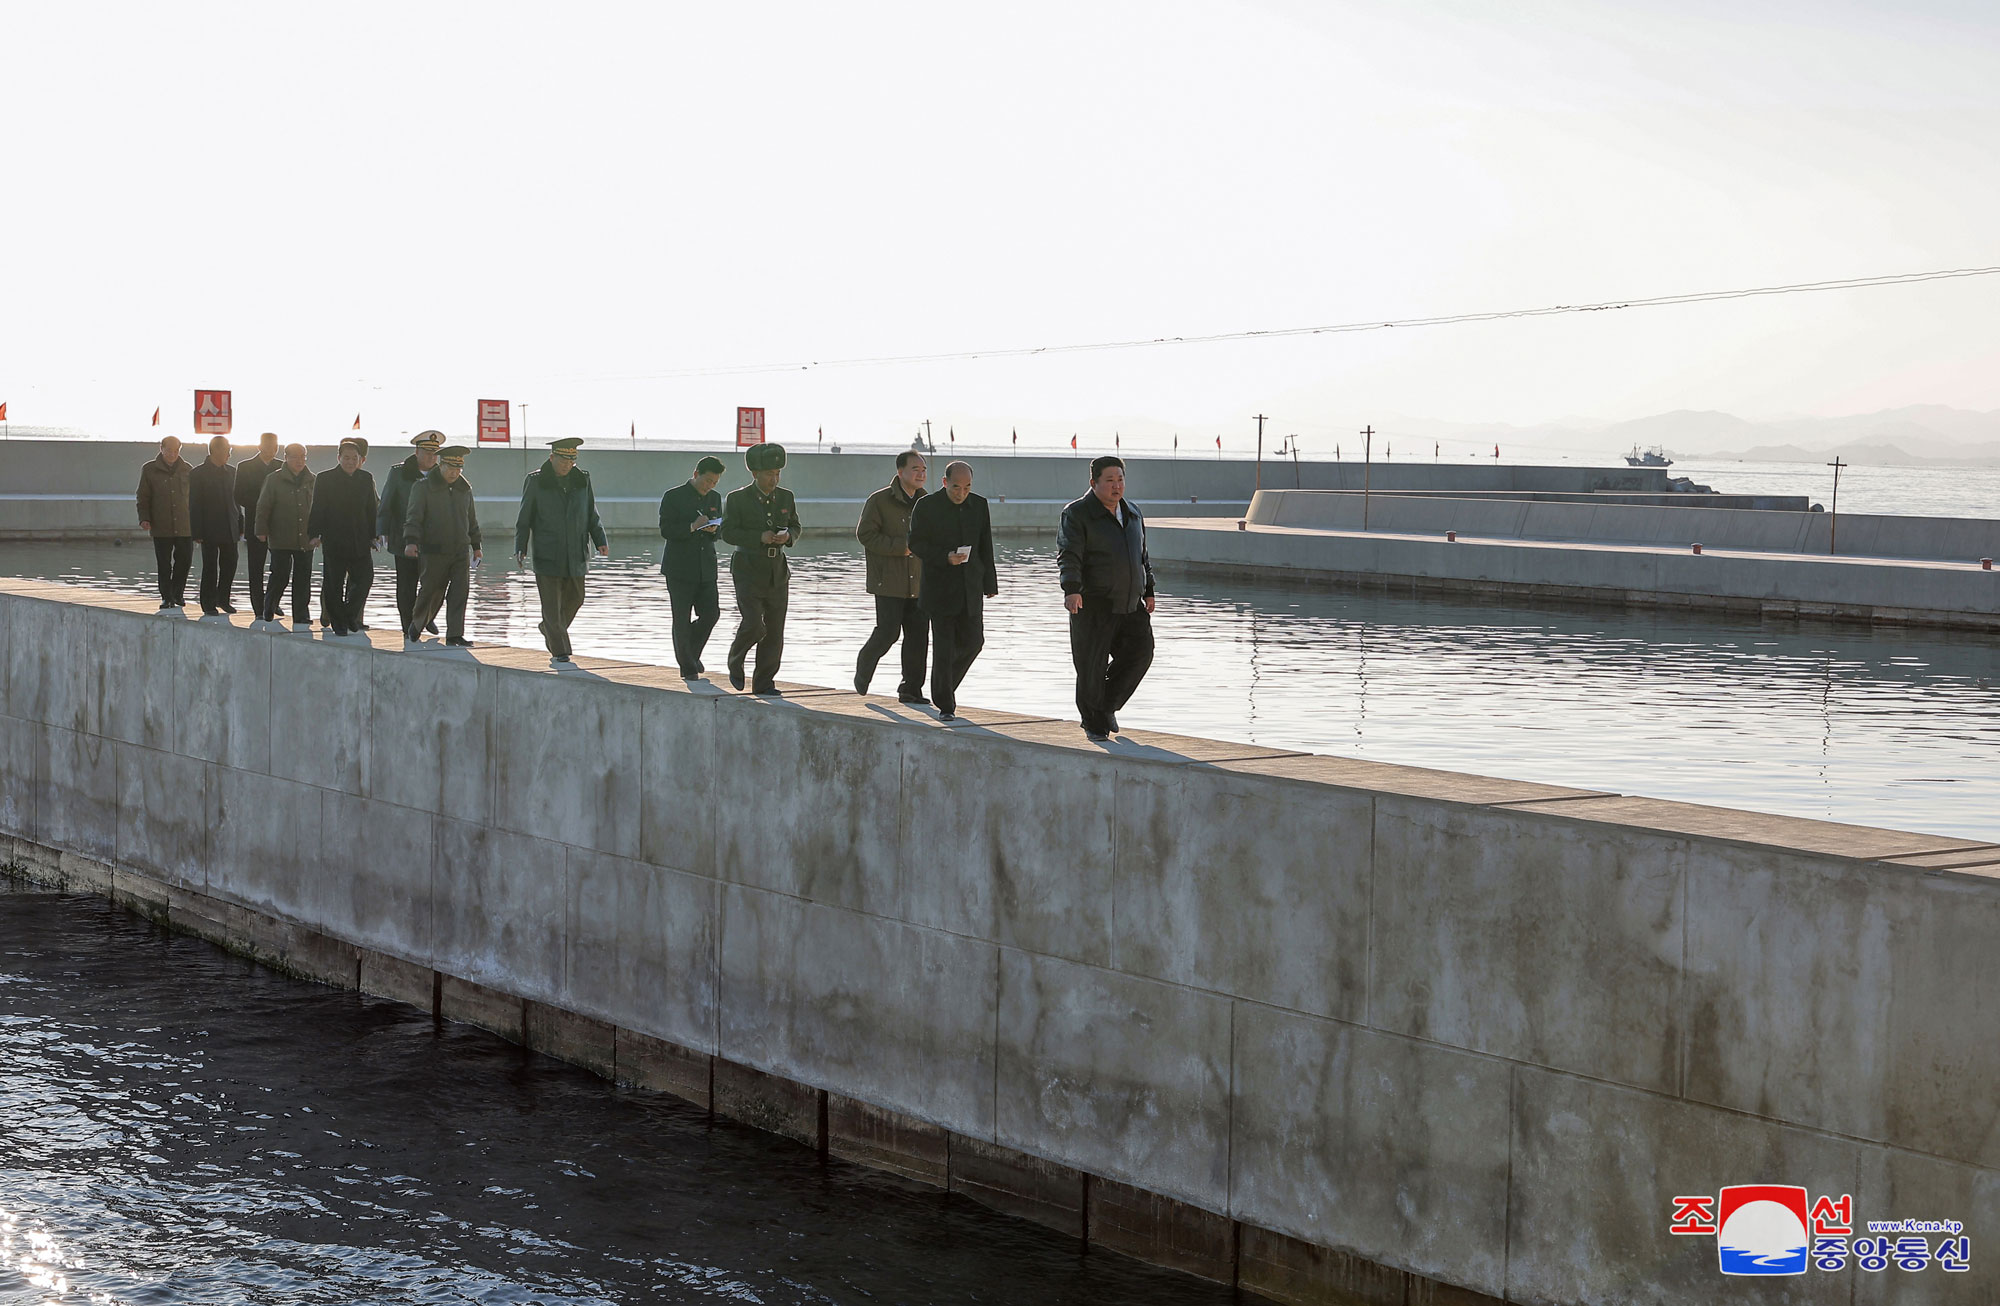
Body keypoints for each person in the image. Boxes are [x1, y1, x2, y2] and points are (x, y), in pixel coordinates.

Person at [1057, 455, 1155, 741]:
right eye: (1110, 480)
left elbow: (1142, 556)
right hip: (1093, 602)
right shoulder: (1076, 513)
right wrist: (1071, 589)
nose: (1117, 486)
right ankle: (1094, 723)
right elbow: (1069, 554)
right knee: (1091, 664)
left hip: (1130, 602)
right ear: (1094, 482)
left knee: (1140, 653)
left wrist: (1149, 589)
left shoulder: (1134, 512)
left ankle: (1106, 705)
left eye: (1120, 479)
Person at [907, 460, 996, 721]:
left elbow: (985, 544)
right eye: (956, 487)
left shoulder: (979, 505)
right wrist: (944, 557)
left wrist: (990, 583)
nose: (961, 493)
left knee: (974, 642)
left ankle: (942, 687)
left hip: (970, 586)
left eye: (967, 488)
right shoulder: (927, 506)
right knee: (943, 648)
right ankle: (946, 705)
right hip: (939, 588)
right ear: (945, 482)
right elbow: (915, 543)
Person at [514, 436, 608, 668]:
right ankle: (561, 651)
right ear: (552, 457)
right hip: (548, 552)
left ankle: (549, 629)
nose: (567, 465)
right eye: (563, 460)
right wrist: (520, 546)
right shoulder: (536, 481)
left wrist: (600, 540)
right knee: (551, 605)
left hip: (576, 552)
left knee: (577, 598)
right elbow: (524, 517)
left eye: (571, 460)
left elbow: (591, 513)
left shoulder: (582, 480)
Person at [720, 442, 800, 694]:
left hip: (777, 571)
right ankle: (736, 657)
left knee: (775, 631)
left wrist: (787, 537)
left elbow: (796, 526)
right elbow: (727, 532)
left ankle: (764, 683)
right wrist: (759, 537)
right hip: (747, 569)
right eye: (768, 474)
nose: (774, 479)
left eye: (777, 473)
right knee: (754, 623)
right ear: (755, 474)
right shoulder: (737, 498)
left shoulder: (786, 497)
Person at [853, 451, 929, 702]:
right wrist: (901, 547)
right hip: (888, 580)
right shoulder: (879, 500)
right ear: (900, 472)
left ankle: (911, 689)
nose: (921, 474)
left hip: (919, 582)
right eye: (915, 469)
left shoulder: (927, 502)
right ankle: (865, 663)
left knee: (918, 637)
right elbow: (865, 535)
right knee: (888, 632)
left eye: (924, 469)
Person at [404, 444, 481, 647]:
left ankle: (455, 634)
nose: (455, 473)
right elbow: (414, 517)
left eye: (458, 470)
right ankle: (417, 623)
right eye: (451, 469)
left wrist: (476, 545)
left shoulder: (465, 489)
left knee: (459, 592)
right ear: (441, 466)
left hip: (460, 550)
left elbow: (471, 520)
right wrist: (411, 541)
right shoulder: (423, 487)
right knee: (430, 590)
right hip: (433, 549)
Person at [657, 455, 725, 678]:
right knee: (681, 618)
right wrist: (691, 527)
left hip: (706, 567)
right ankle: (687, 667)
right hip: (679, 568)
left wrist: (714, 530)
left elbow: (721, 529)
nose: (710, 486)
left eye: (714, 482)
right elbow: (666, 530)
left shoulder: (715, 498)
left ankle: (691, 654)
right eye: (707, 481)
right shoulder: (673, 496)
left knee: (711, 614)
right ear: (696, 474)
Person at [310, 437, 378, 636]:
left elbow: (371, 509)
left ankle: (349, 614)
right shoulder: (325, 478)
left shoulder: (365, 478)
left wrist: (374, 535)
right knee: (334, 583)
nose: (350, 461)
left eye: (354, 458)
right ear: (339, 458)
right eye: (346, 457)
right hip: (335, 540)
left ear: (360, 459)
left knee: (365, 579)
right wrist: (314, 534)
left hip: (360, 540)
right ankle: (338, 622)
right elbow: (318, 508)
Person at [379, 432, 443, 638]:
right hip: (403, 536)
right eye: (427, 453)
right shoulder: (399, 473)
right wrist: (382, 531)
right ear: (416, 452)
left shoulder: (442, 475)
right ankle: (408, 625)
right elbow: (387, 502)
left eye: (435, 453)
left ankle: (425, 617)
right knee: (406, 585)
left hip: (432, 540)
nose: (431, 458)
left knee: (435, 584)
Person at [254, 442, 318, 631]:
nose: (299, 461)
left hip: (305, 538)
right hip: (280, 536)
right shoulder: (274, 479)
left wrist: (318, 533)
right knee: (280, 574)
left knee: (303, 577)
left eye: (302, 457)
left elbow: (319, 509)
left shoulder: (312, 480)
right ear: (286, 458)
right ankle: (269, 607)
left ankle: (301, 614)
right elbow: (263, 506)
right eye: (295, 457)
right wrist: (261, 530)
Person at [137, 436, 195, 611]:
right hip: (161, 524)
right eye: (168, 450)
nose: (172, 454)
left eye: (176, 451)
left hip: (185, 524)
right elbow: (143, 496)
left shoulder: (187, 469)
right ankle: (166, 597)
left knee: (184, 561)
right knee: (164, 563)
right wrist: (144, 518)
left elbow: (194, 498)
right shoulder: (149, 469)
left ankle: (178, 594)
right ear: (161, 449)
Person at [187, 435, 240, 616]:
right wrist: (197, 531)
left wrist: (240, 525)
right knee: (210, 566)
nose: (228, 455)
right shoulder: (198, 473)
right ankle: (208, 603)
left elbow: (237, 502)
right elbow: (194, 504)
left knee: (230, 564)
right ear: (215, 451)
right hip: (208, 528)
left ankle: (223, 599)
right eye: (226, 451)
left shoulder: (232, 472)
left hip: (230, 526)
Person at [234, 432, 282, 621]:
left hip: (279, 525)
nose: (272, 449)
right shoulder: (245, 467)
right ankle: (258, 606)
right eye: (269, 445)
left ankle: (272, 602)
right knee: (256, 567)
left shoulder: (282, 467)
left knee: (280, 568)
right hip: (255, 523)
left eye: (275, 446)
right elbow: (238, 495)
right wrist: (263, 503)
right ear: (259, 446)